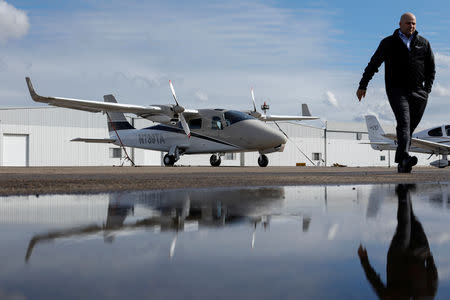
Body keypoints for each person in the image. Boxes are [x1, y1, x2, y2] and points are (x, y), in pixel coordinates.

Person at [356, 12, 435, 173]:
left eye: (413, 23)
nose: (411, 26)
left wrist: (427, 90)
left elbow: (431, 68)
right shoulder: (388, 43)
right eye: (408, 23)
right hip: (397, 90)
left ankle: (402, 162)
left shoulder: (424, 43)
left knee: (409, 127)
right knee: (404, 122)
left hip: (419, 92)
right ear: (400, 24)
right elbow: (374, 63)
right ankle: (405, 157)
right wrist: (363, 85)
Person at [357, 184, 438, 299]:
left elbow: (375, 282)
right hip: (418, 255)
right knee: (413, 221)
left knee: (404, 225)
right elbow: (433, 279)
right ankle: (405, 192)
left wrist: (364, 260)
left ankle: (403, 192)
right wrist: (430, 259)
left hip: (397, 257)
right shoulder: (425, 297)